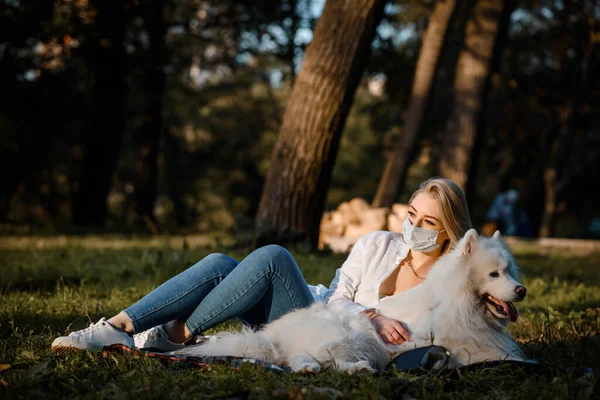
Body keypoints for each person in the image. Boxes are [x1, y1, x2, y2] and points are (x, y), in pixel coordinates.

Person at [52, 177, 473, 354]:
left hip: (327, 339)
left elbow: (442, 336)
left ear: (449, 231)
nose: (413, 226)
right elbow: (341, 295)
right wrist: (374, 316)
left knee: (273, 256)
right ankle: (119, 327)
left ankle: (174, 333)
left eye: (428, 222)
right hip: (315, 311)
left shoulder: (445, 284)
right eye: (412, 214)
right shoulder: (377, 243)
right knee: (220, 262)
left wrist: (377, 327)